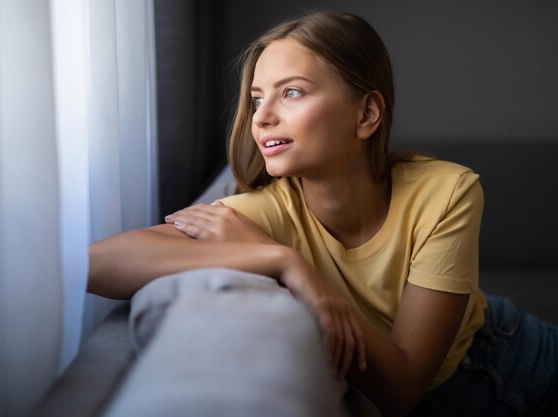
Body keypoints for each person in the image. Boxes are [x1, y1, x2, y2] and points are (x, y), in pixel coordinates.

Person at [88, 11, 558, 417]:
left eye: (291, 93)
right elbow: (96, 263)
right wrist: (281, 260)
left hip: (514, 361)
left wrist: (293, 265)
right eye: (256, 98)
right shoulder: (263, 215)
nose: (261, 117)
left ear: (367, 114)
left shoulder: (447, 191)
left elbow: (403, 386)